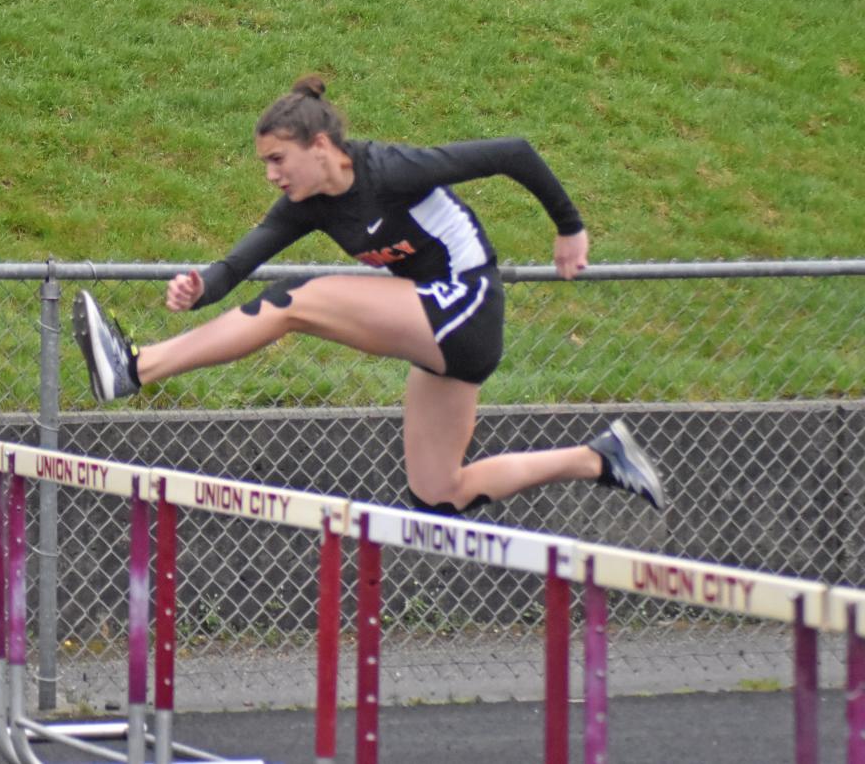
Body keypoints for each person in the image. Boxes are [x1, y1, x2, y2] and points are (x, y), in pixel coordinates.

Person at [73, 75, 664, 515]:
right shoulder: (307, 206)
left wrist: (569, 228)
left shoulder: (391, 170)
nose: (272, 175)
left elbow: (514, 152)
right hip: (438, 331)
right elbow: (241, 261)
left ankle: (134, 368)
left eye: (278, 159)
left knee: (294, 301)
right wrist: (201, 287)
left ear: (322, 145)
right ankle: (599, 459)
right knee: (439, 492)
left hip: (465, 303)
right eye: (265, 165)